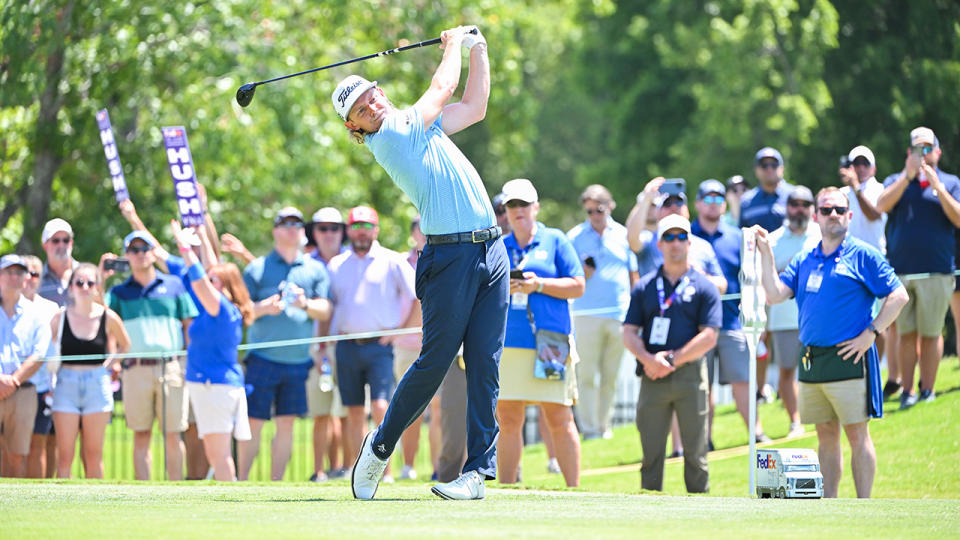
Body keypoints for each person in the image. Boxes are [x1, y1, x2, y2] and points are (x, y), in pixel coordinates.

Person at [333, 25, 508, 501]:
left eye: (370, 98)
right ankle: (380, 446)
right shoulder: (392, 135)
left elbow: (474, 107)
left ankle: (477, 473)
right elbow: (442, 87)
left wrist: (479, 49)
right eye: (360, 111)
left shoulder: (419, 124)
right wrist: (453, 44)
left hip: (492, 251)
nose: (370, 108)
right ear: (356, 128)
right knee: (434, 362)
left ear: (381, 93)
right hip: (449, 256)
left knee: (485, 362)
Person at [755, 187, 909, 498]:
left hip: (849, 358)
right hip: (812, 360)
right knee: (825, 435)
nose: (833, 215)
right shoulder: (805, 257)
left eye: (839, 209)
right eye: (826, 210)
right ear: (816, 217)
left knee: (856, 433)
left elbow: (899, 295)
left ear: (850, 216)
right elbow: (773, 295)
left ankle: (863, 506)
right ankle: (831, 506)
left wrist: (872, 333)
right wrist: (766, 254)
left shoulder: (863, 254)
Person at [622, 215, 721, 493]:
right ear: (659, 243)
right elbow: (628, 332)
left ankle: (701, 518)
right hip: (652, 376)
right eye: (668, 237)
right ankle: (649, 521)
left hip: (690, 375)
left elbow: (710, 336)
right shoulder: (644, 287)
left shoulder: (704, 286)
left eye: (680, 237)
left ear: (690, 242)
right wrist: (649, 360)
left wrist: (673, 360)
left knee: (697, 455)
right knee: (651, 455)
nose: (675, 244)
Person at [498, 178, 585, 487]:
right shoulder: (498, 245)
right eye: (512, 205)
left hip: (550, 341)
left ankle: (574, 492)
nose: (518, 210)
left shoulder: (556, 240)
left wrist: (539, 285)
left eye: (524, 204)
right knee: (507, 420)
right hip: (508, 342)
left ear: (536, 207)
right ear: (505, 211)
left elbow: (578, 285)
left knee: (559, 418)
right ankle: (506, 490)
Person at [239, 207, 332, 481]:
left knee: (287, 425)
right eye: (285, 222)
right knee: (253, 424)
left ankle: (275, 484)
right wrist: (262, 308)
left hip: (297, 361)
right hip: (262, 359)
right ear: (275, 230)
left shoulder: (315, 269)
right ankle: (240, 482)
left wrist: (305, 304)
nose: (292, 227)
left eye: (297, 223)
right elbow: (242, 314)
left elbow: (325, 310)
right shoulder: (256, 268)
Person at [327, 206, 417, 484]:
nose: (361, 231)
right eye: (356, 226)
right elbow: (331, 306)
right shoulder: (336, 264)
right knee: (354, 411)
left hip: (380, 346)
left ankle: (384, 471)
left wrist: (400, 332)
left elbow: (417, 296)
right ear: (348, 230)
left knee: (380, 406)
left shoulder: (391, 260)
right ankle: (361, 471)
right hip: (347, 344)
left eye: (367, 226)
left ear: (376, 230)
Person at [877, 127, 960, 409]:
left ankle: (928, 389)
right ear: (908, 153)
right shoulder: (895, 180)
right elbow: (881, 205)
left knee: (931, 332)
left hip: (937, 271)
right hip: (901, 272)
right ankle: (907, 390)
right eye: (917, 149)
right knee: (906, 333)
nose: (923, 154)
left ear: (937, 151)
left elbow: (959, 219)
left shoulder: (950, 182)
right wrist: (907, 177)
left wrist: (936, 187)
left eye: (928, 149)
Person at [105, 231, 198, 481]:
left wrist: (187, 361)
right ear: (127, 255)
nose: (140, 255)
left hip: (171, 367)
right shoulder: (118, 292)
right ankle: (143, 491)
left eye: (144, 249)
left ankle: (176, 489)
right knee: (141, 434)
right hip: (135, 369)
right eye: (134, 250)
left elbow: (189, 325)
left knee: (172, 433)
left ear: (153, 252)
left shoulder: (175, 285)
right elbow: (106, 323)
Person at [170, 221, 254, 481]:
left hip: (215, 387)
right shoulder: (219, 309)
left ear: (226, 286)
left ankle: (231, 508)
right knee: (215, 453)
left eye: (214, 278)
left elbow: (198, 277)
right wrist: (203, 234)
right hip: (211, 386)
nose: (208, 278)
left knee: (219, 456)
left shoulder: (222, 310)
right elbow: (206, 268)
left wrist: (184, 247)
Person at [691, 179, 769, 444]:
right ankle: (705, 440)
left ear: (725, 204)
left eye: (718, 199)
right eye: (707, 198)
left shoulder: (737, 237)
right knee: (702, 387)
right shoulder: (685, 236)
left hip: (732, 321)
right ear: (698, 203)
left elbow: (751, 277)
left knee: (743, 381)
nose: (713, 204)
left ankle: (756, 434)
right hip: (696, 326)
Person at [567, 184, 638, 440]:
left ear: (610, 206)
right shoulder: (574, 237)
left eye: (598, 209)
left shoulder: (624, 235)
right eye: (589, 211)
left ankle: (603, 426)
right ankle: (589, 429)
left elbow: (634, 276)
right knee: (586, 375)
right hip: (585, 314)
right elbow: (566, 275)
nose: (594, 215)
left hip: (619, 314)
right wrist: (582, 274)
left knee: (611, 376)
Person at [50, 263, 131, 478]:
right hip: (65, 384)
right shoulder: (60, 317)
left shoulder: (108, 316)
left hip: (97, 384)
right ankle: (61, 507)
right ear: (71, 287)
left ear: (98, 287)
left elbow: (126, 345)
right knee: (65, 455)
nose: (85, 287)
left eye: (90, 282)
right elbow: (47, 351)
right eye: (79, 282)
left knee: (94, 454)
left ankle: (97, 507)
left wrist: (107, 367)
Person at [838, 146, 898, 399]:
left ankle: (875, 369)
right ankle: (858, 373)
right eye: (856, 163)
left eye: (865, 163)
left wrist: (856, 189)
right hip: (847, 263)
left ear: (873, 168)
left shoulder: (880, 190)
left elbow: (873, 215)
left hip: (874, 262)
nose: (860, 168)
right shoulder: (840, 195)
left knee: (879, 324)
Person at [763, 186, 821, 437]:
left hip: (818, 317)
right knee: (787, 369)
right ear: (787, 208)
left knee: (820, 367)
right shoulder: (773, 241)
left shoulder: (821, 236)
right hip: (783, 317)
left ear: (812, 209)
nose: (799, 208)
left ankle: (821, 418)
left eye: (805, 204)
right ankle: (795, 421)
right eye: (794, 203)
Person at [391, 216, 442, 481]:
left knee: (439, 408)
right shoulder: (400, 263)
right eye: (420, 230)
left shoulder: (446, 260)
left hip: (438, 345)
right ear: (413, 234)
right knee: (410, 407)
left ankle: (438, 469)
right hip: (407, 346)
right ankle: (408, 466)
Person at [306, 206, 348, 482]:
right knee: (321, 412)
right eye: (323, 228)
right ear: (314, 232)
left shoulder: (351, 259)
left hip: (347, 345)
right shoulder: (306, 263)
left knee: (346, 411)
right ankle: (319, 470)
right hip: (315, 346)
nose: (329, 233)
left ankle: (344, 467)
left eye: (335, 228)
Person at [0, 255, 49, 478]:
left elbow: (39, 354)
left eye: (19, 272)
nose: (14, 277)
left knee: (16, 457)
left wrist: (13, 380)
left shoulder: (36, 313)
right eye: (8, 272)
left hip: (23, 391)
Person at [21, 255, 60, 479]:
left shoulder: (51, 308)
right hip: (13, 385)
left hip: (42, 385)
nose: (29, 278)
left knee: (39, 444)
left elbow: (53, 350)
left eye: (35, 273)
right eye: (24, 272)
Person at [739, 147, 794, 231]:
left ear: (782, 169)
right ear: (756, 170)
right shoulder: (746, 201)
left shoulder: (795, 196)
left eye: (774, 165)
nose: (769, 169)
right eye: (764, 165)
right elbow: (743, 235)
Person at [37, 218, 79, 306]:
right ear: (45, 245)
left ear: (71, 243)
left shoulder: (86, 276)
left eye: (66, 240)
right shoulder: (35, 279)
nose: (61, 245)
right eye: (56, 240)